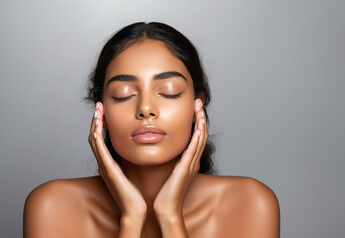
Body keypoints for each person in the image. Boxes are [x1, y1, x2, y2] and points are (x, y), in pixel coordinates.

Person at [23, 22, 280, 238]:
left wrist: (170, 215)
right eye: (123, 95)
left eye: (169, 92)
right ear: (101, 114)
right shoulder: (52, 207)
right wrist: (132, 218)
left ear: (196, 107)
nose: (146, 108)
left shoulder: (250, 204)